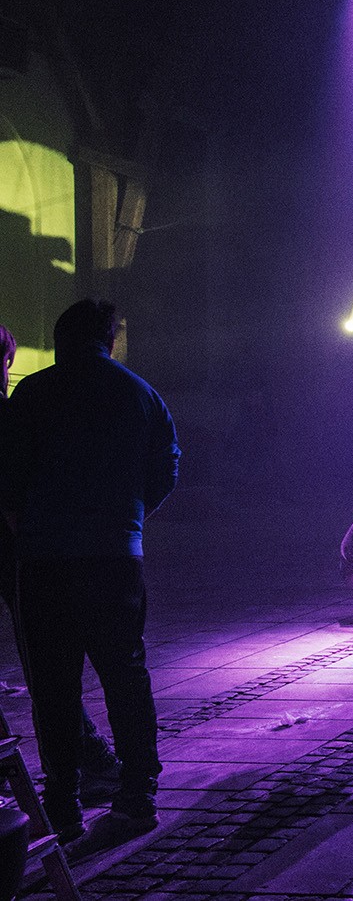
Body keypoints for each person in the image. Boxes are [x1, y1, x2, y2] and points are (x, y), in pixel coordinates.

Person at [0, 300, 179, 850]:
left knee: (52, 687)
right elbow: (166, 471)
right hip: (115, 557)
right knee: (126, 678)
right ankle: (136, 798)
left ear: (59, 338)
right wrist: (126, 519)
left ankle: (63, 806)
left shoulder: (32, 394)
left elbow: (6, 478)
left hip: (43, 562)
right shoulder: (140, 393)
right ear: (110, 338)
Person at [0, 324, 122, 816]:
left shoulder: (12, 413)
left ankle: (87, 767)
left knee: (46, 668)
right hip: (25, 552)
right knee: (46, 668)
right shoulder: (13, 412)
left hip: (20, 554)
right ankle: (91, 766)